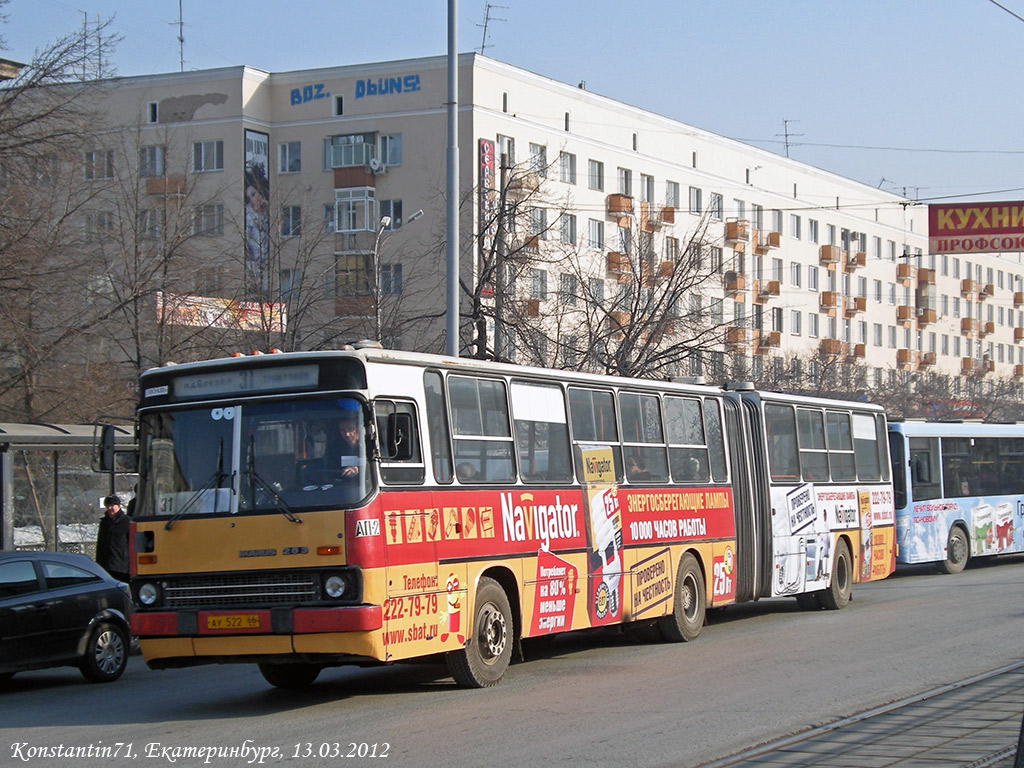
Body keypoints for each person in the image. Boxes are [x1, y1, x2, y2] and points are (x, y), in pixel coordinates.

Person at [95, 495, 130, 582]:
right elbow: (100, 545)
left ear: (118, 506)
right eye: (108, 506)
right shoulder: (104, 523)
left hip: (122, 568)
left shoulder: (128, 522)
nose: (110, 508)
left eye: (112, 505)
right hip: (105, 567)